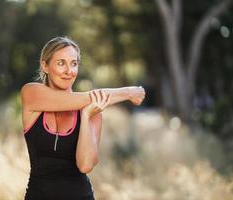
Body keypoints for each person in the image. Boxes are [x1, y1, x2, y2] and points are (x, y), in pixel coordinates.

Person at [21, 36, 145, 200]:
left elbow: (85, 165)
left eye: (74, 63)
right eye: (61, 63)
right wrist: (128, 92)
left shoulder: (92, 111)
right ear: (45, 65)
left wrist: (85, 117)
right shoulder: (31, 93)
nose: (69, 71)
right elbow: (77, 99)